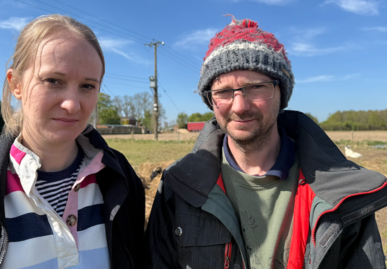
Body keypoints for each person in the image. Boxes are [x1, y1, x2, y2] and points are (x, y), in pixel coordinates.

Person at [145, 16, 387, 269]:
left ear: (282, 93)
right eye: (223, 91)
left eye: (256, 87)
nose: (239, 106)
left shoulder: (340, 191)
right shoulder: (178, 185)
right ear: (210, 100)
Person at [0, 14, 144, 269]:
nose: (72, 104)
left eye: (87, 86)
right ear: (16, 84)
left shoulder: (120, 179)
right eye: (53, 81)